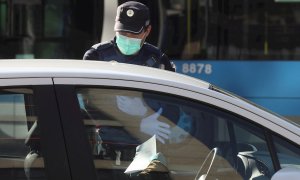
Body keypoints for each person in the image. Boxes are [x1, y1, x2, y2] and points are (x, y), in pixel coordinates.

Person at [83, 1, 175, 72]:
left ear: (147, 31)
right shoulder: (96, 56)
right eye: (123, 33)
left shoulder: (158, 60)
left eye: (134, 34)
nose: (127, 38)